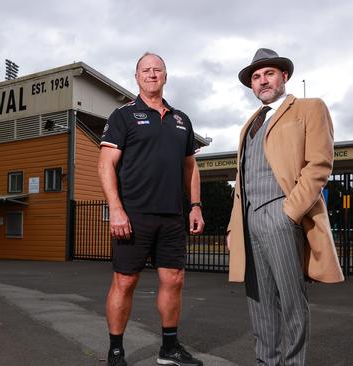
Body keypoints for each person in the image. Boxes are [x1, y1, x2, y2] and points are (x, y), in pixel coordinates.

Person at [226, 48, 344, 365]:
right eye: (256, 76)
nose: (262, 81)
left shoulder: (309, 108)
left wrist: (288, 213)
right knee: (259, 303)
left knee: (291, 302)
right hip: (249, 222)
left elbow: (319, 165)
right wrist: (233, 227)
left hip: (281, 213)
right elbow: (243, 181)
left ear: (284, 76)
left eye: (269, 73)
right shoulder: (248, 124)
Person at [98, 52, 205, 366]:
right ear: (137, 77)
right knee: (125, 281)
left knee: (174, 280)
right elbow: (105, 165)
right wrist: (116, 209)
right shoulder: (123, 116)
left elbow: (191, 168)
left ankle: (169, 349)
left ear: (166, 75)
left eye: (158, 69)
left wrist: (195, 206)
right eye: (146, 70)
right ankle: (116, 352)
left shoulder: (181, 119)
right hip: (133, 215)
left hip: (172, 216)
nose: (152, 74)